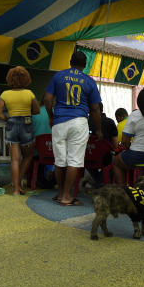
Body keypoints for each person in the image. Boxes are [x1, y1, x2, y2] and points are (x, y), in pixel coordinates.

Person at [44, 50, 102, 206]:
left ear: (70, 62)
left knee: (60, 160)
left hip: (59, 121)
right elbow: (95, 109)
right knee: (74, 161)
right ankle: (66, 196)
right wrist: (98, 130)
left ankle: (60, 193)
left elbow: (47, 99)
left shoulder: (58, 76)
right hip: (79, 122)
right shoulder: (89, 81)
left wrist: (51, 116)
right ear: (85, 65)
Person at [0, 66, 41, 196]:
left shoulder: (5, 94)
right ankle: (19, 182)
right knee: (28, 156)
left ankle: (16, 189)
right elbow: (37, 110)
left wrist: (7, 118)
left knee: (14, 159)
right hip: (26, 123)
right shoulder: (29, 93)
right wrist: (26, 113)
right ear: (26, 79)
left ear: (10, 79)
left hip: (12, 123)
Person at [111, 88, 144, 184]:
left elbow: (125, 140)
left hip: (137, 155)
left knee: (116, 162)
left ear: (139, 101)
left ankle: (124, 191)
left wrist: (128, 148)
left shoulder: (135, 114)